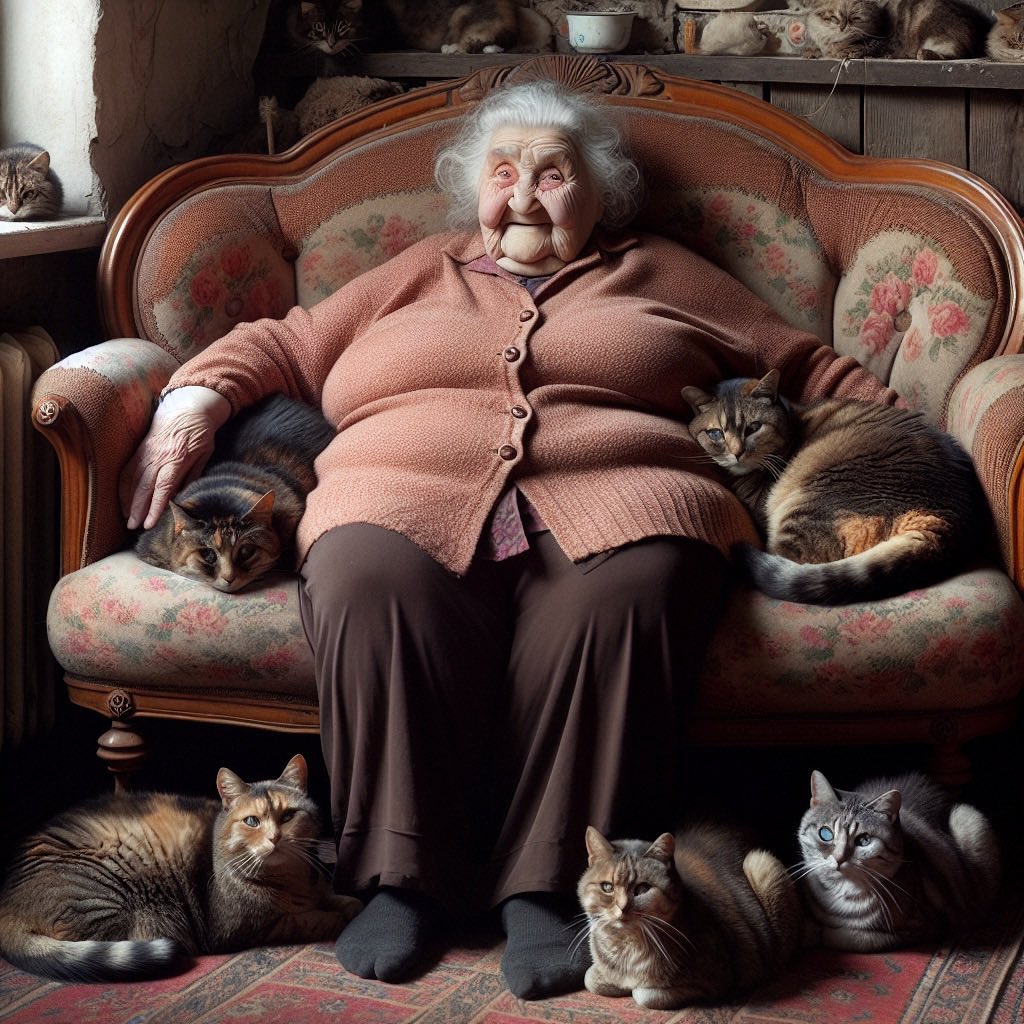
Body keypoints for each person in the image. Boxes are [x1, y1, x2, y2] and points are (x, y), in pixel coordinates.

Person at [120, 79, 895, 998]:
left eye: (553, 174)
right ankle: (400, 880)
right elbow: (286, 344)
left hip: (625, 492)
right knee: (365, 580)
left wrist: (901, 457)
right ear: (474, 190)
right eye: (502, 172)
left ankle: (554, 886)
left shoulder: (663, 272)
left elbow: (804, 365)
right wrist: (192, 403)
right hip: (400, 488)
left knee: (628, 593)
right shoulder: (419, 270)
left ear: (602, 192)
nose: (524, 193)